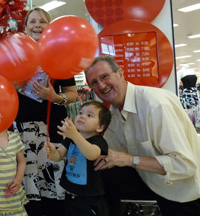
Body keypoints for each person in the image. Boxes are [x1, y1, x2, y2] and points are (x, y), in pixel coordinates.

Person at [84, 55, 200, 216]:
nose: (102, 86)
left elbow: (184, 165)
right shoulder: (114, 113)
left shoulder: (155, 104)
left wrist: (128, 159)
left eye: (105, 77)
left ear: (121, 74)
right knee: (98, 176)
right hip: (151, 182)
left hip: (182, 192)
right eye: (94, 83)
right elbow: (110, 155)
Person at [13, 7, 78, 216]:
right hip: (22, 127)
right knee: (28, 180)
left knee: (53, 183)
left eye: (42, 21)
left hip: (53, 126)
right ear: (25, 28)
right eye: (32, 21)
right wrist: (15, 82)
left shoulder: (61, 56)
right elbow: (2, 89)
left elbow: (73, 94)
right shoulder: (16, 57)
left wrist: (56, 97)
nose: (37, 25)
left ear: (49, 27)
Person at [44, 100, 110, 216]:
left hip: (90, 199)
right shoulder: (71, 139)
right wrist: (53, 150)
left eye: (89, 115)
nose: (82, 116)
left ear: (100, 127)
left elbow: (92, 154)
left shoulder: (98, 141)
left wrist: (75, 135)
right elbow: (58, 157)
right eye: (80, 113)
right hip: (71, 195)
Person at [177, 64, 199, 128]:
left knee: (195, 113)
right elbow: (177, 86)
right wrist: (177, 98)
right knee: (188, 113)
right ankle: (188, 129)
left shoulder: (192, 71)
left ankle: (194, 128)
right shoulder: (180, 72)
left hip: (195, 94)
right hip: (186, 96)